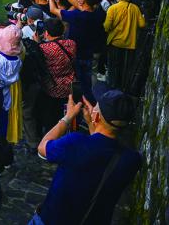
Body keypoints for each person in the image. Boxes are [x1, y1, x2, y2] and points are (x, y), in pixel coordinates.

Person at [32, 83, 142, 225]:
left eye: (96, 106)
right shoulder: (132, 160)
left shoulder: (75, 143)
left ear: (96, 115)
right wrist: (93, 124)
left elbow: (42, 148)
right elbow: (101, 150)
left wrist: (67, 117)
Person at [48, 0, 106, 101]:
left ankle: (84, 102)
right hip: (92, 52)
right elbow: (79, 5)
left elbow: (53, 10)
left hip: (77, 54)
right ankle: (92, 100)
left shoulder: (77, 16)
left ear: (83, 1)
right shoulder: (99, 14)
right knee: (90, 78)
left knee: (79, 82)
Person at [32, 19, 76, 140]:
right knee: (64, 112)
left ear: (46, 33)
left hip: (52, 87)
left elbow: (39, 55)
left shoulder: (44, 48)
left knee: (50, 117)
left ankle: (50, 138)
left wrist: (36, 43)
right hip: (69, 85)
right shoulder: (71, 43)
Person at [103, 0, 146, 91]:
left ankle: (113, 87)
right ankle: (124, 88)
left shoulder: (113, 8)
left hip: (115, 42)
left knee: (114, 66)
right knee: (126, 67)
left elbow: (107, 27)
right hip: (130, 43)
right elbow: (142, 24)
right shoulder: (135, 8)